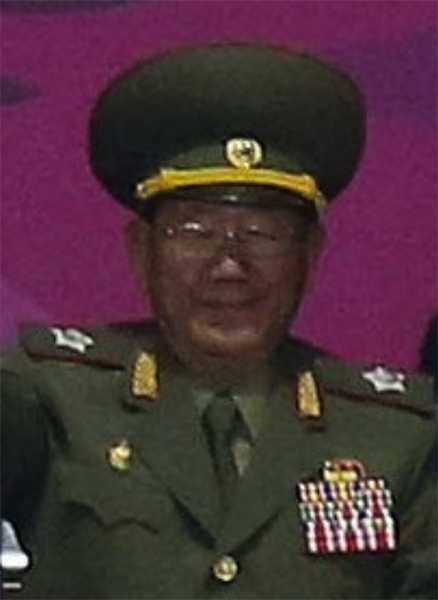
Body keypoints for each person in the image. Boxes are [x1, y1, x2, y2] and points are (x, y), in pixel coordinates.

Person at [1, 42, 436, 600]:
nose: (229, 267)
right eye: (195, 231)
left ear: (310, 255)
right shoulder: (50, 398)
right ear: (141, 251)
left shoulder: (395, 433)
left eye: (262, 234)